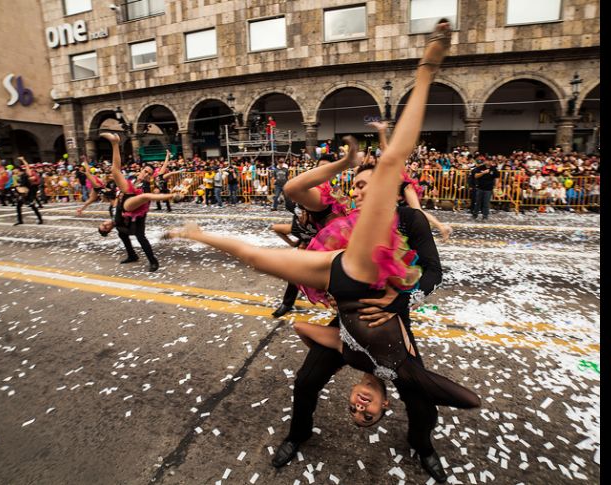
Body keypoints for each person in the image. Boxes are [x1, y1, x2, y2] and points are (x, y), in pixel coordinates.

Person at [164, 21, 478, 483]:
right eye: (360, 186)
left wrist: (400, 299)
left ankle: (420, 444)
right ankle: (299, 433)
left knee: (421, 401)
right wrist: (342, 166)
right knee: (306, 382)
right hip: (344, 298)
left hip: (388, 316)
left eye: (375, 187)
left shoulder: (409, 221)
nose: (366, 192)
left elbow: (433, 272)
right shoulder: (342, 220)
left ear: (390, 191)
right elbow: (293, 192)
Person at [96, 133, 180, 272]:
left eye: (149, 173)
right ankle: (115, 143)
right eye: (145, 171)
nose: (146, 174)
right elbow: (116, 198)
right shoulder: (134, 180)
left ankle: (153, 261)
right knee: (122, 233)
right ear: (141, 171)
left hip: (137, 209)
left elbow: (162, 172)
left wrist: (165, 192)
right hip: (127, 203)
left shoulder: (151, 183)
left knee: (140, 236)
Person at [14, 157, 43, 226]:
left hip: (29, 193)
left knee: (32, 206)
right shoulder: (18, 176)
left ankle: (40, 219)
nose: (13, 171)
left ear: (18, 169)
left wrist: (23, 160)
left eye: (14, 169)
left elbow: (27, 167)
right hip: (22, 194)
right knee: (18, 206)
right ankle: (20, 220)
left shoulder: (25, 175)